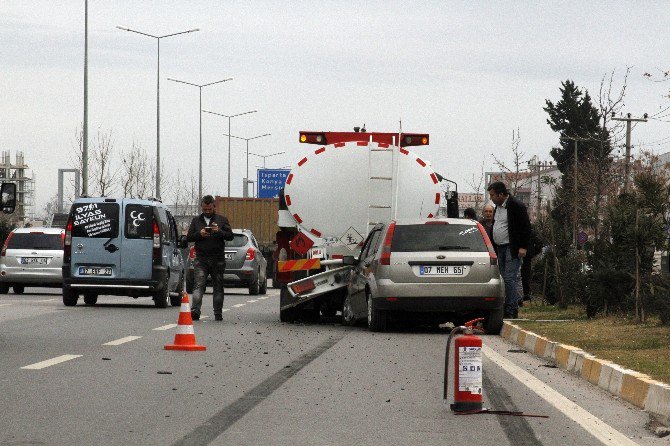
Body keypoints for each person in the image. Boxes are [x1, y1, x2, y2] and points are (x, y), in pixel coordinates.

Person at [487, 182, 531, 319]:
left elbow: (526, 227)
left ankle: (511, 309)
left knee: (510, 278)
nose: (491, 198)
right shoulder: (498, 207)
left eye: (493, 195)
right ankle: (508, 305)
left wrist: (523, 246)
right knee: (503, 279)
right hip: (500, 248)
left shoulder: (516, 206)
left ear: (501, 194)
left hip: (512, 248)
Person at [186, 195, 234, 321]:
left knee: (218, 286)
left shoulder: (222, 220)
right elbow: (189, 237)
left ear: (214, 206)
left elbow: (230, 236)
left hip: (217, 259)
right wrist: (199, 234)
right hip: (201, 258)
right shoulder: (196, 221)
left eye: (209, 209)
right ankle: (195, 311)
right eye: (204, 209)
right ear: (202, 207)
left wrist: (219, 231)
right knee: (198, 285)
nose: (207, 212)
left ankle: (218, 313)